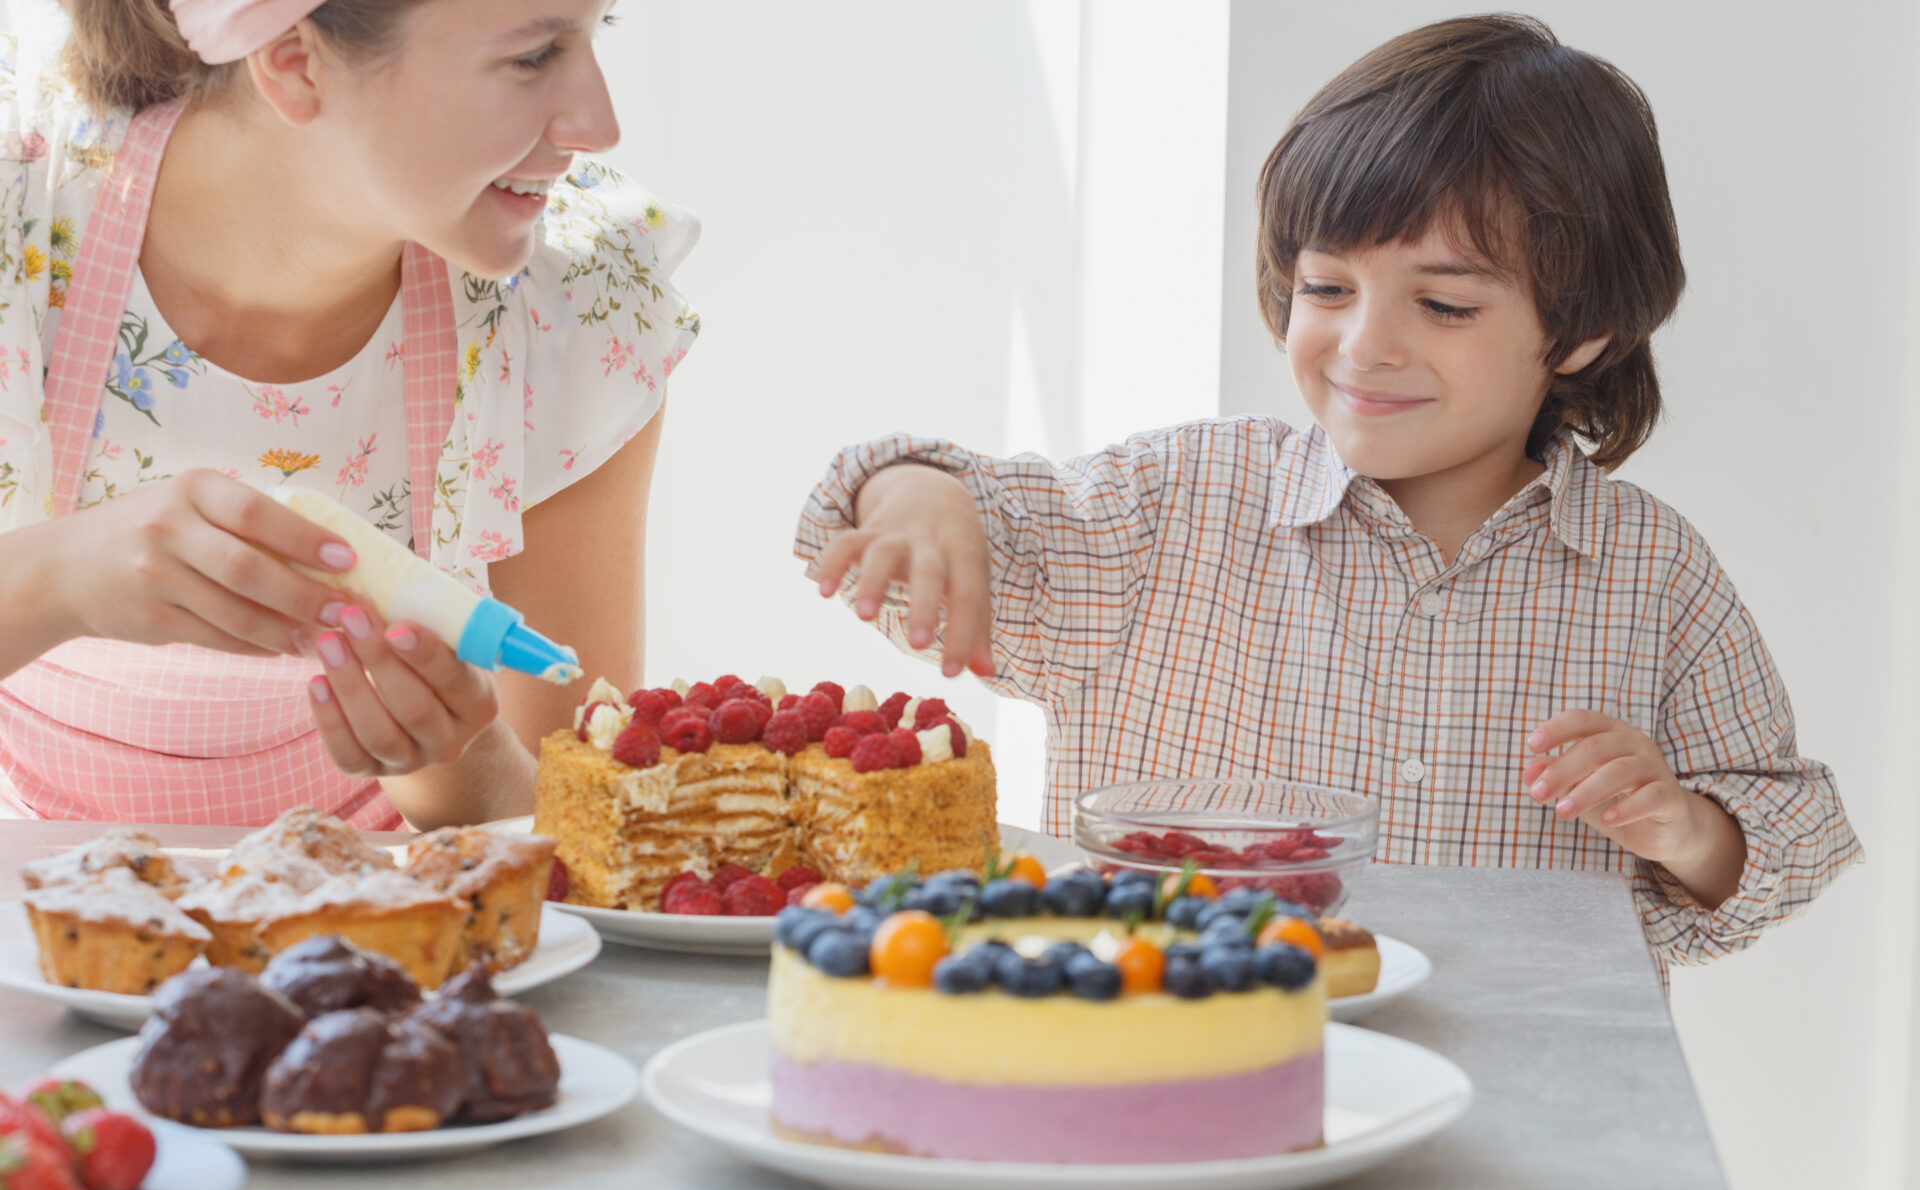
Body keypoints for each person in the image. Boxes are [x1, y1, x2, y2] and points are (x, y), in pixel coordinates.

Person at [794, 14, 1860, 973]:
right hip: (1175, 1064)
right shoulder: (1172, 505)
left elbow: (1792, 831)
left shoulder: (1655, 572)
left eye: (1443, 304)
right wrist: (918, 492)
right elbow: (935, 515)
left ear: (1582, 334)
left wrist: (1683, 825)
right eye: (1328, 286)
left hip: (1512, 1098)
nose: (1365, 345)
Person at [0, 0, 697, 830]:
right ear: (293, 60)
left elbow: (577, 848)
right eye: (535, 55)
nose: (599, 124)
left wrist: (451, 757)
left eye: (596, 32)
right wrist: (53, 579)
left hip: (383, 932)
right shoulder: (21, 210)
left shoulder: (576, 303)